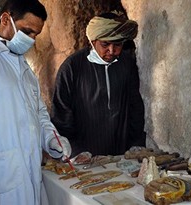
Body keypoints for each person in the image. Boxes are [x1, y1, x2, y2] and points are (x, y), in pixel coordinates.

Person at [0, 0, 72, 205]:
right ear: (6, 19)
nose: (31, 40)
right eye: (27, 31)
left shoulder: (25, 69)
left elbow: (38, 114)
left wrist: (51, 139)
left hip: (29, 175)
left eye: (35, 35)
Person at [51, 11, 146, 157]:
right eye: (105, 44)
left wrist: (136, 144)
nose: (112, 51)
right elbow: (61, 115)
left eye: (118, 44)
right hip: (84, 155)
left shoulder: (127, 64)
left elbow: (135, 107)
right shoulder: (72, 67)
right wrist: (75, 151)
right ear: (93, 40)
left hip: (121, 153)